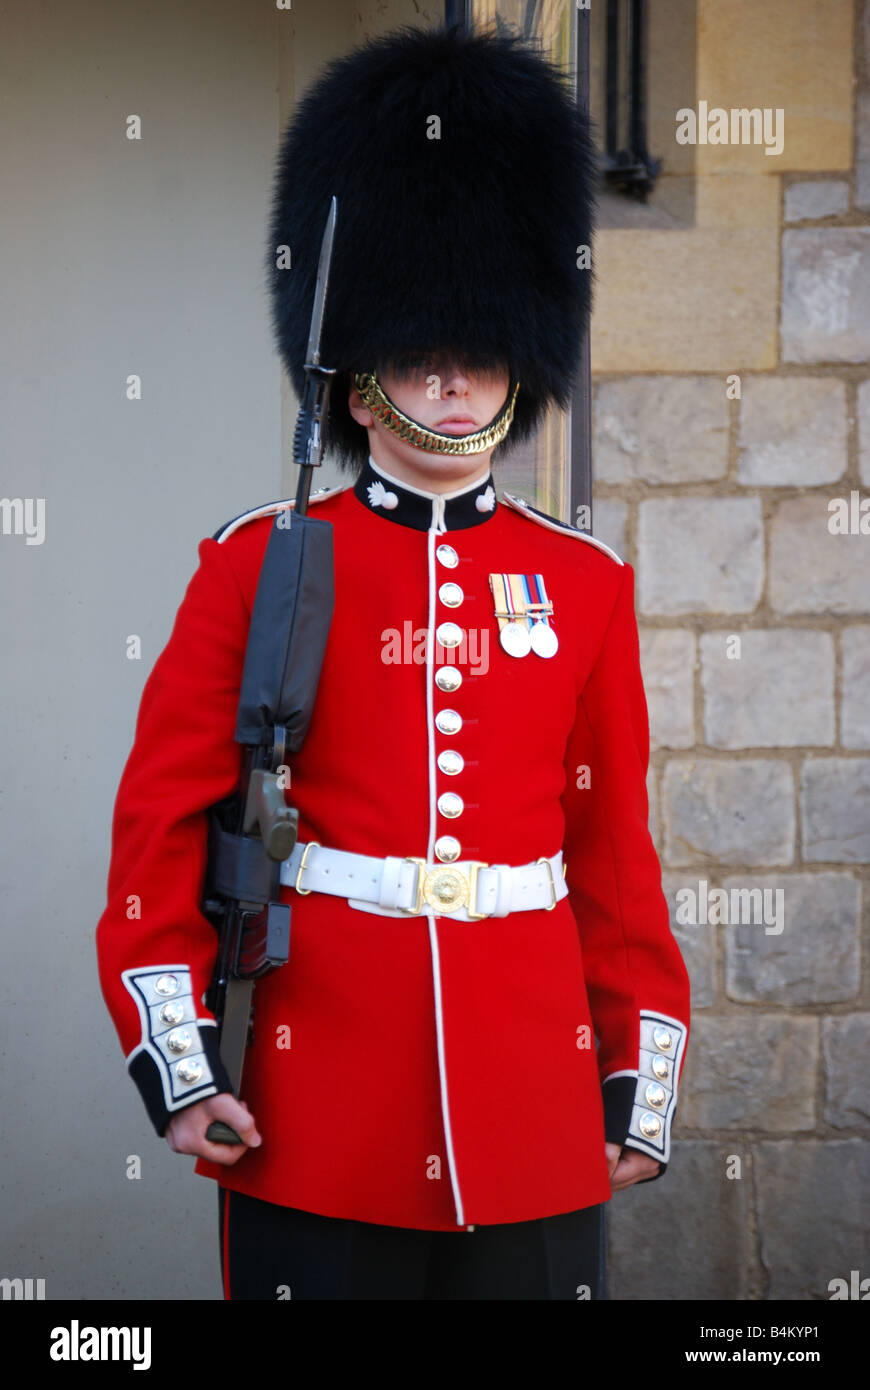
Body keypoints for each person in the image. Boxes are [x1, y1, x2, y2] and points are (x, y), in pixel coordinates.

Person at [95, 23, 691, 1301]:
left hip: (530, 1110)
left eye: (481, 356)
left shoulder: (585, 584)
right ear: (359, 384)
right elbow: (160, 827)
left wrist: (637, 1068)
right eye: (421, 356)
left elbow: (611, 852)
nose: (455, 382)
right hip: (318, 1111)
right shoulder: (261, 562)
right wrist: (185, 1062)